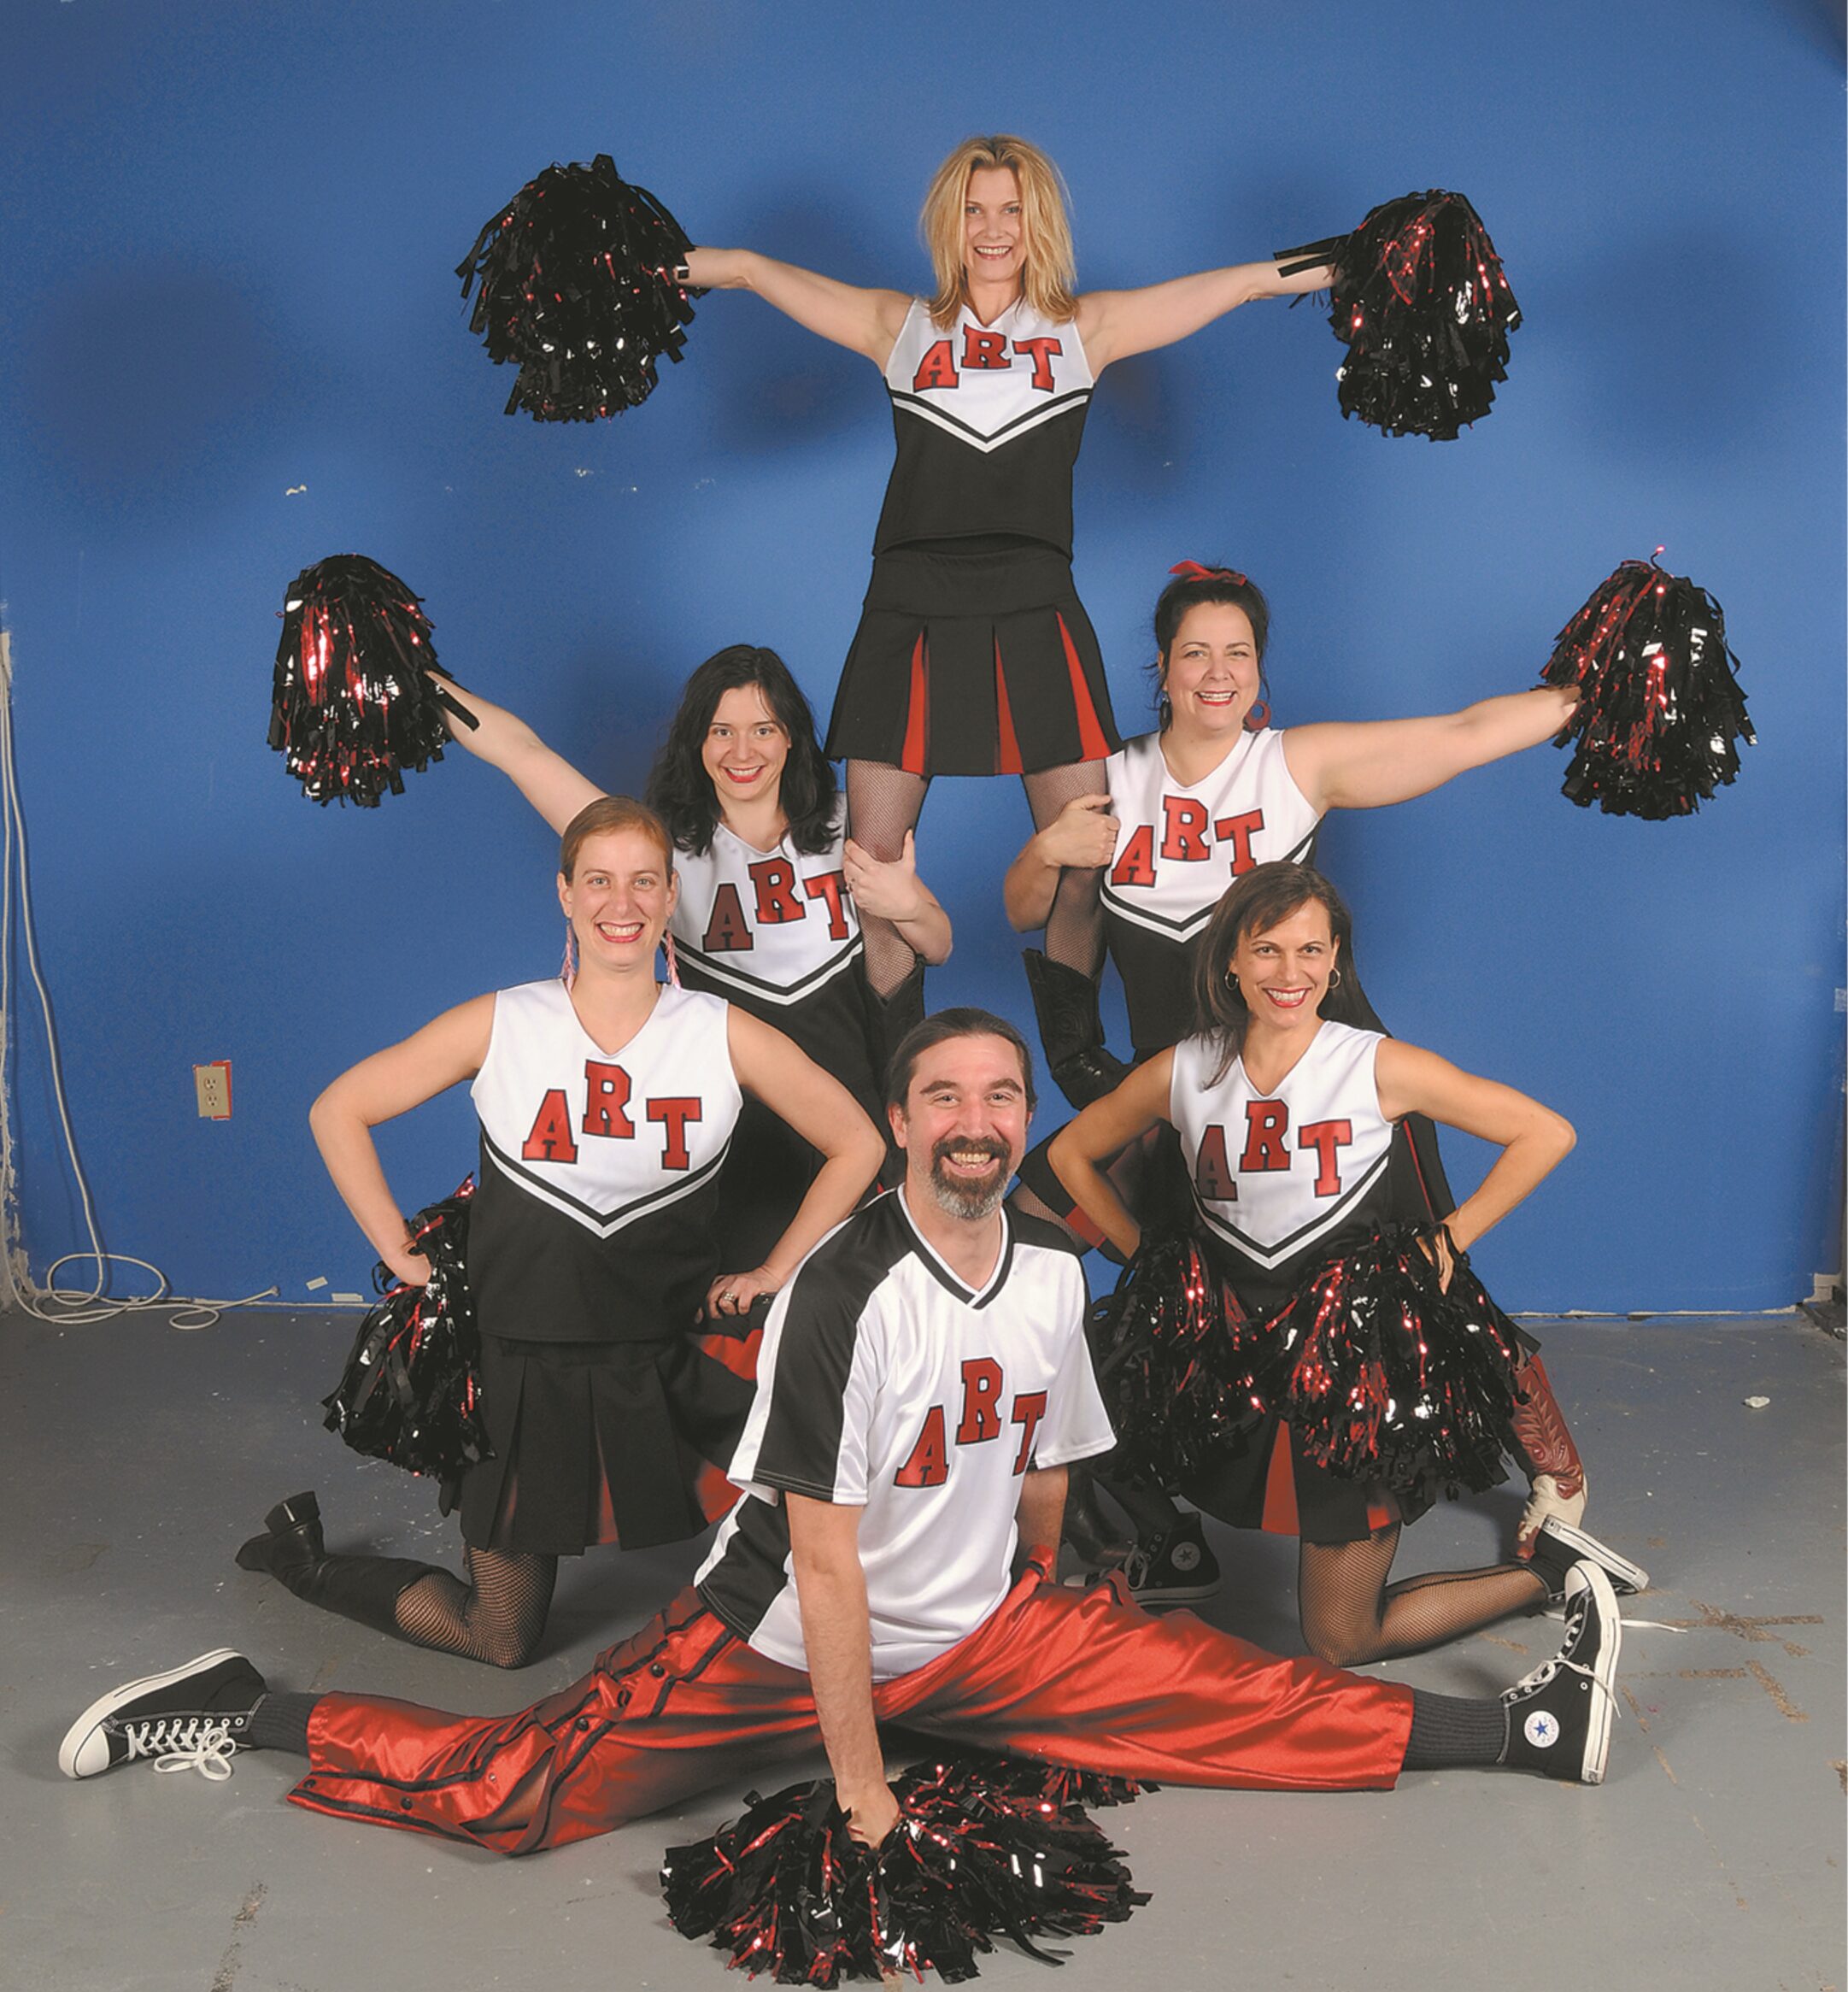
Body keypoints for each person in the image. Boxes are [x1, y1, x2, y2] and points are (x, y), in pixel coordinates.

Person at [64, 1011, 1628, 1833]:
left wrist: (1043, 1603)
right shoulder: (839, 1294)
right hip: (777, 1649)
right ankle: (254, 1707)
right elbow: (820, 1565)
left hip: (980, 1633)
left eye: (999, 1098)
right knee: (514, 1790)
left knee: (1228, 1699)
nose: (975, 1122)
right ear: (898, 1123)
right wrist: (863, 1780)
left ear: (1022, 1122)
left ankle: (1521, 1731)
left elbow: (1045, 1463)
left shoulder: (1042, 1270)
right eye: (942, 1098)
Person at [1008, 562, 1592, 1599]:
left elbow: (1461, 734)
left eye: (1238, 652)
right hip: (1184, 1096)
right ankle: (1157, 1527)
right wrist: (1049, 854)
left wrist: (1583, 696)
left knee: (1429, 1279)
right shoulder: (1108, 776)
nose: (1217, 672)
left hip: (1325, 1085)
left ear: (1260, 668)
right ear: (1161, 666)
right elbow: (1037, 912)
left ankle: (1558, 1465)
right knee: (1043, 1249)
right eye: (1195, 652)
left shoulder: (1294, 763)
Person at [679, 137, 1338, 1031]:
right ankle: (890, 1069)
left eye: (1011, 210)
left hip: (1034, 606)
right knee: (871, 865)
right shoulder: (898, 326)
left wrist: (1367, 261)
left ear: (1039, 224)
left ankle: (1077, 1055)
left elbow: (1248, 282)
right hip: (909, 609)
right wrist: (629, 266)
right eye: (973, 210)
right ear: (949, 223)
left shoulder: (1084, 330)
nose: (992, 230)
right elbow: (749, 269)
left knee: (1087, 855)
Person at [232, 796, 884, 1667]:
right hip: (521, 1362)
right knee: (501, 1636)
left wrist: (773, 1269)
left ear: (671, 895)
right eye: (599, 881)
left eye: (644, 881)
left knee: (825, 1526)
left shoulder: (720, 1032)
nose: (623, 902)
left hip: (665, 1353)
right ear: (566, 894)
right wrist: (397, 1250)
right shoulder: (504, 1021)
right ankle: (305, 1563)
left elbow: (858, 1142)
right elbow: (338, 1109)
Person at [1049, 864, 1647, 1666]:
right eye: (1266, 949)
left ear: (1335, 962)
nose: (1288, 972)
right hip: (1235, 1346)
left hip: (1350, 1368)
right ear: (1230, 961)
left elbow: (1545, 1133)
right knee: (1090, 1396)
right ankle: (1173, 1551)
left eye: (1309, 950)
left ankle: (1558, 1574)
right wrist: (1152, 1260)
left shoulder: (1373, 1063)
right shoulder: (1184, 1068)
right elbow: (1071, 1155)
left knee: (1339, 1638)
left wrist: (1450, 1238)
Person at [439, 649, 950, 1277]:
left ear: (791, 737)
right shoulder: (660, 852)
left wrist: (907, 906)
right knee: (739, 1313)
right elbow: (524, 754)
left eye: (763, 729)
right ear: (697, 742)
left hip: (860, 1120)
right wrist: (413, 677)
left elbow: (937, 944)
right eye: (721, 731)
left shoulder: (849, 824)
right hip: (735, 1147)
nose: (742, 752)